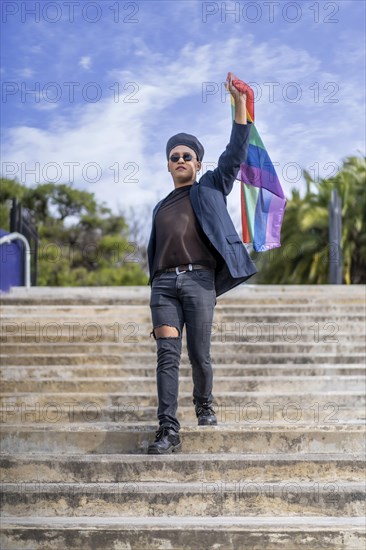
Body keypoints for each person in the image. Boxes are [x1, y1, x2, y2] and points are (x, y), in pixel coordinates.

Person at [146, 72, 257, 454]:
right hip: (163, 285)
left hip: (199, 281)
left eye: (186, 156)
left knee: (199, 354)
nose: (180, 159)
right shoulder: (161, 206)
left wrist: (239, 105)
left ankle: (204, 402)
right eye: (174, 156)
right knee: (167, 355)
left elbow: (235, 152)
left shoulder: (210, 186)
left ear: (198, 163)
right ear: (168, 166)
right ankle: (167, 429)